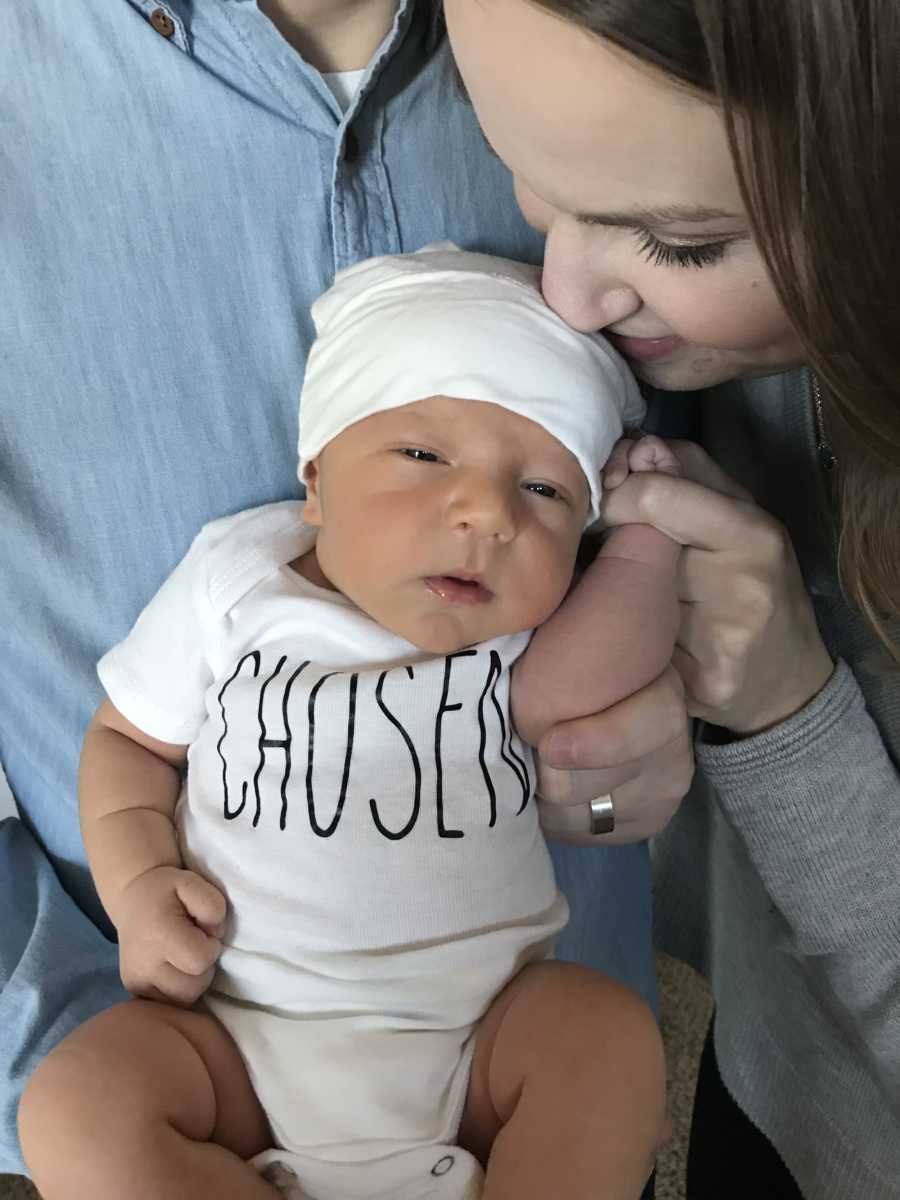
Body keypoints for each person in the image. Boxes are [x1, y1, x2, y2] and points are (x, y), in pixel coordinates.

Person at [0, 1, 683, 1178]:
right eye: (422, 459)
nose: (483, 514)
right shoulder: (239, 579)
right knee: (78, 1105)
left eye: (542, 494)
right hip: (232, 1036)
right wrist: (140, 879)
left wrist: (651, 544)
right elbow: (128, 739)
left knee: (609, 1041)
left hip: (485, 1037)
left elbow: (608, 683)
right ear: (314, 478)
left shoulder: (515, 633)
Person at [443, 2, 900, 1198]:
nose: (566, 292)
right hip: (767, 1075)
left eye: (679, 244)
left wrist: (791, 724)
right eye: (523, 175)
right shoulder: (718, 371)